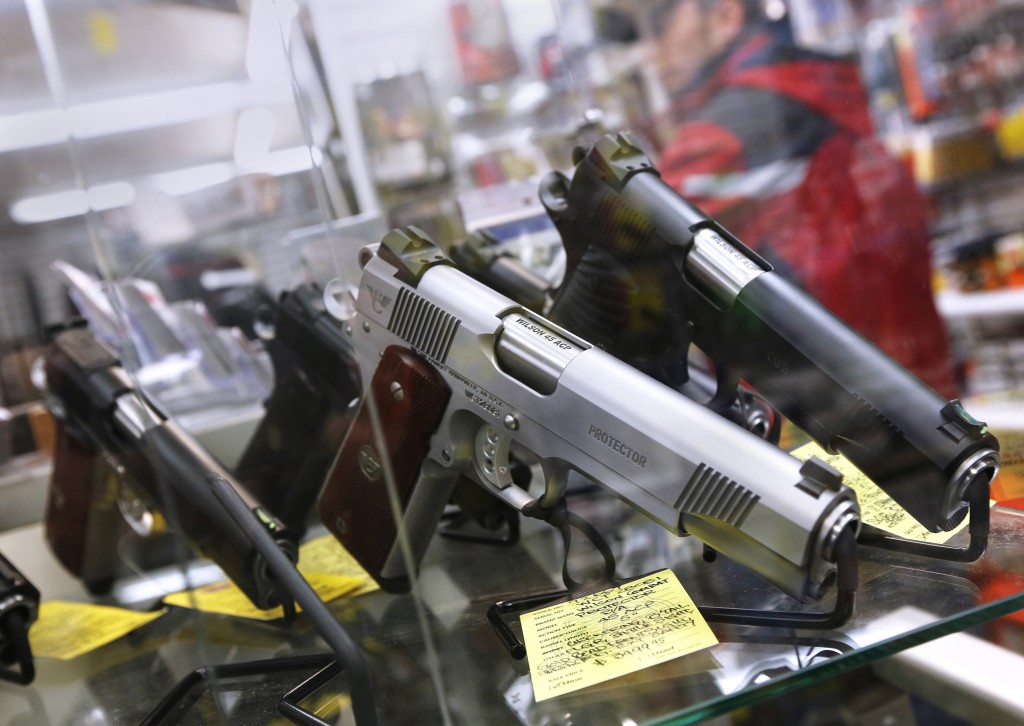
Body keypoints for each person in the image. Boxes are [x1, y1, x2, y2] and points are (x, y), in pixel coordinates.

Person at [645, 0, 958, 397]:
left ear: (725, 15)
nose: (652, 50)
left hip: (832, 408)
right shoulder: (816, 87)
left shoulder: (728, 129)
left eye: (660, 24)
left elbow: (639, 245)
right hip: (911, 381)